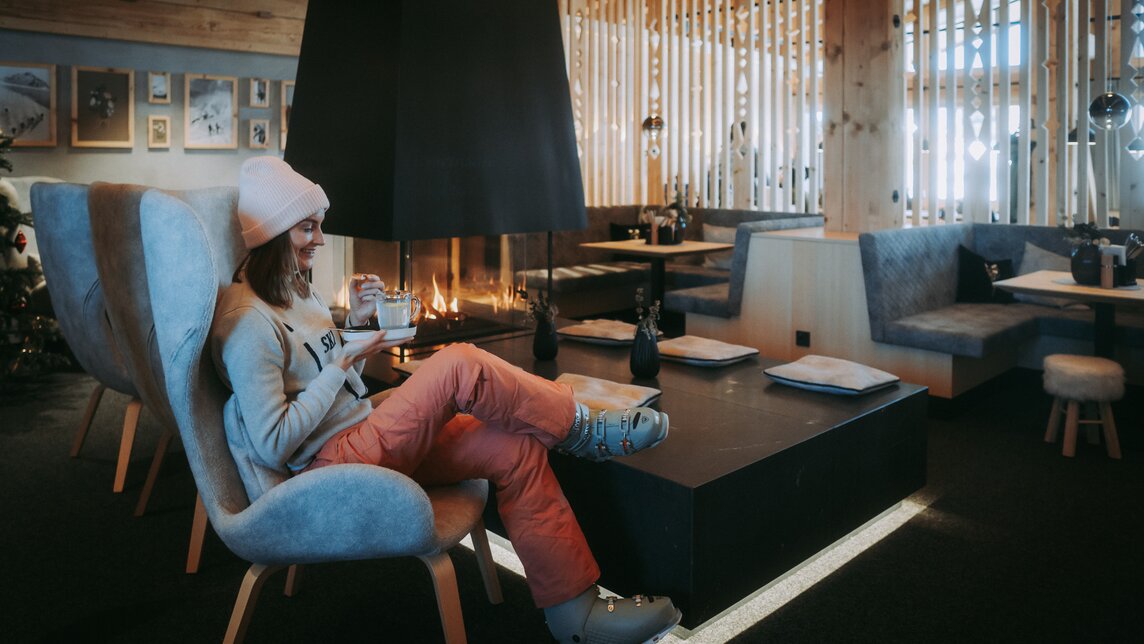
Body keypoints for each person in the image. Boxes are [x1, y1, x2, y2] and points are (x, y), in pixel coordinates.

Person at [210, 156, 682, 643]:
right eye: (307, 228)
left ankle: (577, 616)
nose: (321, 239)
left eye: (319, 226)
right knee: (459, 363)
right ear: (273, 232)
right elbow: (273, 443)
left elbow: (313, 367)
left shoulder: (289, 289)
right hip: (331, 466)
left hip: (362, 430)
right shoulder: (247, 324)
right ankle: (584, 429)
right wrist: (343, 364)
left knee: (515, 446)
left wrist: (356, 320)